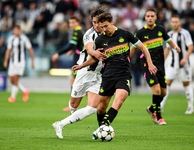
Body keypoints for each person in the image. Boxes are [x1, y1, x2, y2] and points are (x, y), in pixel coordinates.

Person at [72, 11, 157, 139]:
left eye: (106, 26)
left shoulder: (125, 34)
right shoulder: (100, 40)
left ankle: (103, 128)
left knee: (118, 101)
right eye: (102, 27)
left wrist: (150, 64)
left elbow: (143, 48)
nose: (104, 29)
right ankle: (102, 129)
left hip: (124, 74)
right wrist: (81, 66)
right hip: (107, 76)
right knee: (101, 108)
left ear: (112, 22)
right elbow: (96, 58)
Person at [52, 5, 107, 139]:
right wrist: (95, 53)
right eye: (93, 22)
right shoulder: (88, 33)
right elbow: (89, 50)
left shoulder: (109, 33)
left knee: (93, 107)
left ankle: (60, 124)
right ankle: (69, 117)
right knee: (74, 105)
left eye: (98, 22)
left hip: (98, 75)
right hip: (84, 72)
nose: (96, 25)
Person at [130, 8, 181, 125]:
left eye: (152, 16)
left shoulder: (161, 29)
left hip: (160, 65)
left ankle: (153, 108)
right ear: (145, 18)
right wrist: (127, 61)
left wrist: (175, 47)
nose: (150, 18)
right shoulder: (140, 33)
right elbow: (133, 48)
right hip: (147, 65)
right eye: (148, 16)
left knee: (163, 92)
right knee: (156, 90)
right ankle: (158, 117)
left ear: (156, 17)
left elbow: (169, 40)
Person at [161, 15, 193, 114]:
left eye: (176, 22)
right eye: (173, 22)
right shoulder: (169, 34)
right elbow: (167, 49)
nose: (174, 24)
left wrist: (185, 58)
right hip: (172, 65)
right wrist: (162, 61)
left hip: (184, 65)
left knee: (186, 84)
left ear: (179, 23)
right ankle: (160, 107)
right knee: (167, 84)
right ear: (171, 23)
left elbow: (190, 46)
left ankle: (190, 107)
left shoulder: (185, 33)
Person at [52, 16, 84, 111]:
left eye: (73, 22)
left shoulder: (77, 32)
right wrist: (73, 50)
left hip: (78, 59)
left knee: (73, 81)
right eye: (70, 23)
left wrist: (58, 54)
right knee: (75, 81)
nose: (71, 24)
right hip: (80, 57)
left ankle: (72, 105)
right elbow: (79, 45)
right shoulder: (81, 31)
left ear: (78, 22)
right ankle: (73, 104)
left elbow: (71, 45)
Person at [3, 25, 34, 102]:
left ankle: (12, 97)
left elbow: (30, 49)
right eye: (14, 30)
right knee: (11, 80)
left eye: (17, 30)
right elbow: (8, 50)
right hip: (12, 62)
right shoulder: (11, 39)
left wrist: (32, 61)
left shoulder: (24, 39)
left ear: (20, 30)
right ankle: (24, 90)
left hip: (20, 62)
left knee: (16, 79)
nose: (16, 31)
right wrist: (6, 60)